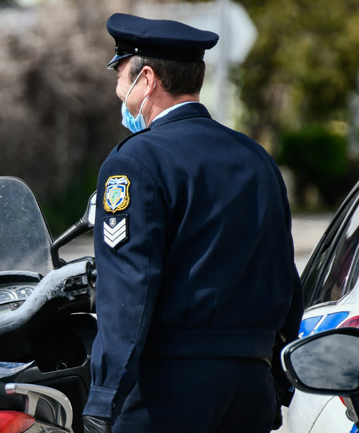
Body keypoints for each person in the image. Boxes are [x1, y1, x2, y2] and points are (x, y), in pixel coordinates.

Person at [82, 13, 303, 433]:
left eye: (121, 79)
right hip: (249, 388)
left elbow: (129, 288)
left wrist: (104, 395)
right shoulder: (256, 159)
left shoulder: (135, 161)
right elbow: (285, 276)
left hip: (167, 392)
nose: (119, 95)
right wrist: (274, 380)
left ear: (147, 79)